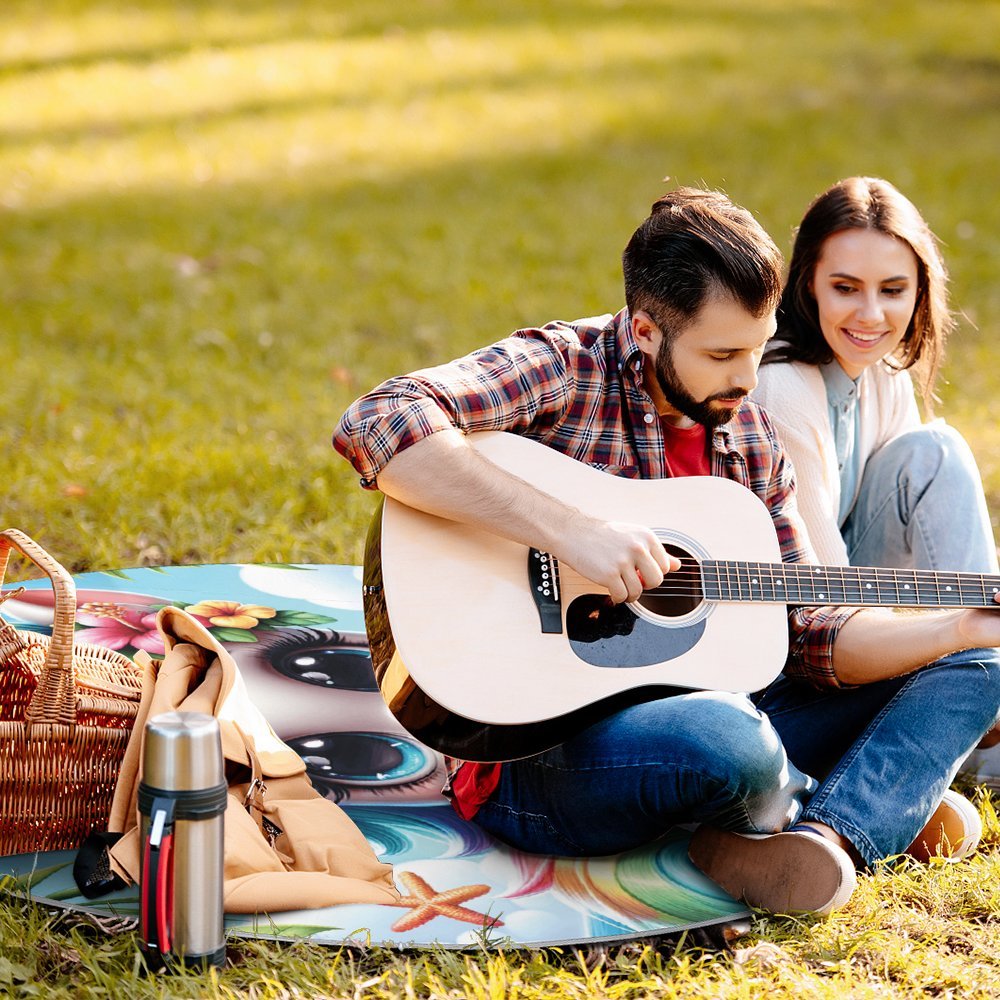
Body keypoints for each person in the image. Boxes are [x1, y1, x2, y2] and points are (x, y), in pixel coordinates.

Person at [333, 188, 1000, 916]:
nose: (748, 380)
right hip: (536, 756)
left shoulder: (747, 435)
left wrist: (956, 628)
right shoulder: (564, 367)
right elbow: (380, 419)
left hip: (725, 709)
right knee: (729, 742)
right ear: (646, 331)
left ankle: (830, 837)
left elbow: (810, 629)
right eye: (722, 354)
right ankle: (856, 796)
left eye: (757, 346)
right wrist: (568, 530)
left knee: (980, 664)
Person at [753, 176, 1000, 788]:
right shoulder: (783, 386)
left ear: (920, 291)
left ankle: (978, 695)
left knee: (931, 451)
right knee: (937, 451)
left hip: (861, 615)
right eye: (845, 288)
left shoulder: (882, 370)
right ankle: (977, 725)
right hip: (796, 649)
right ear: (807, 281)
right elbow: (824, 603)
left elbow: (919, 545)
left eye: (893, 290)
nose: (871, 315)